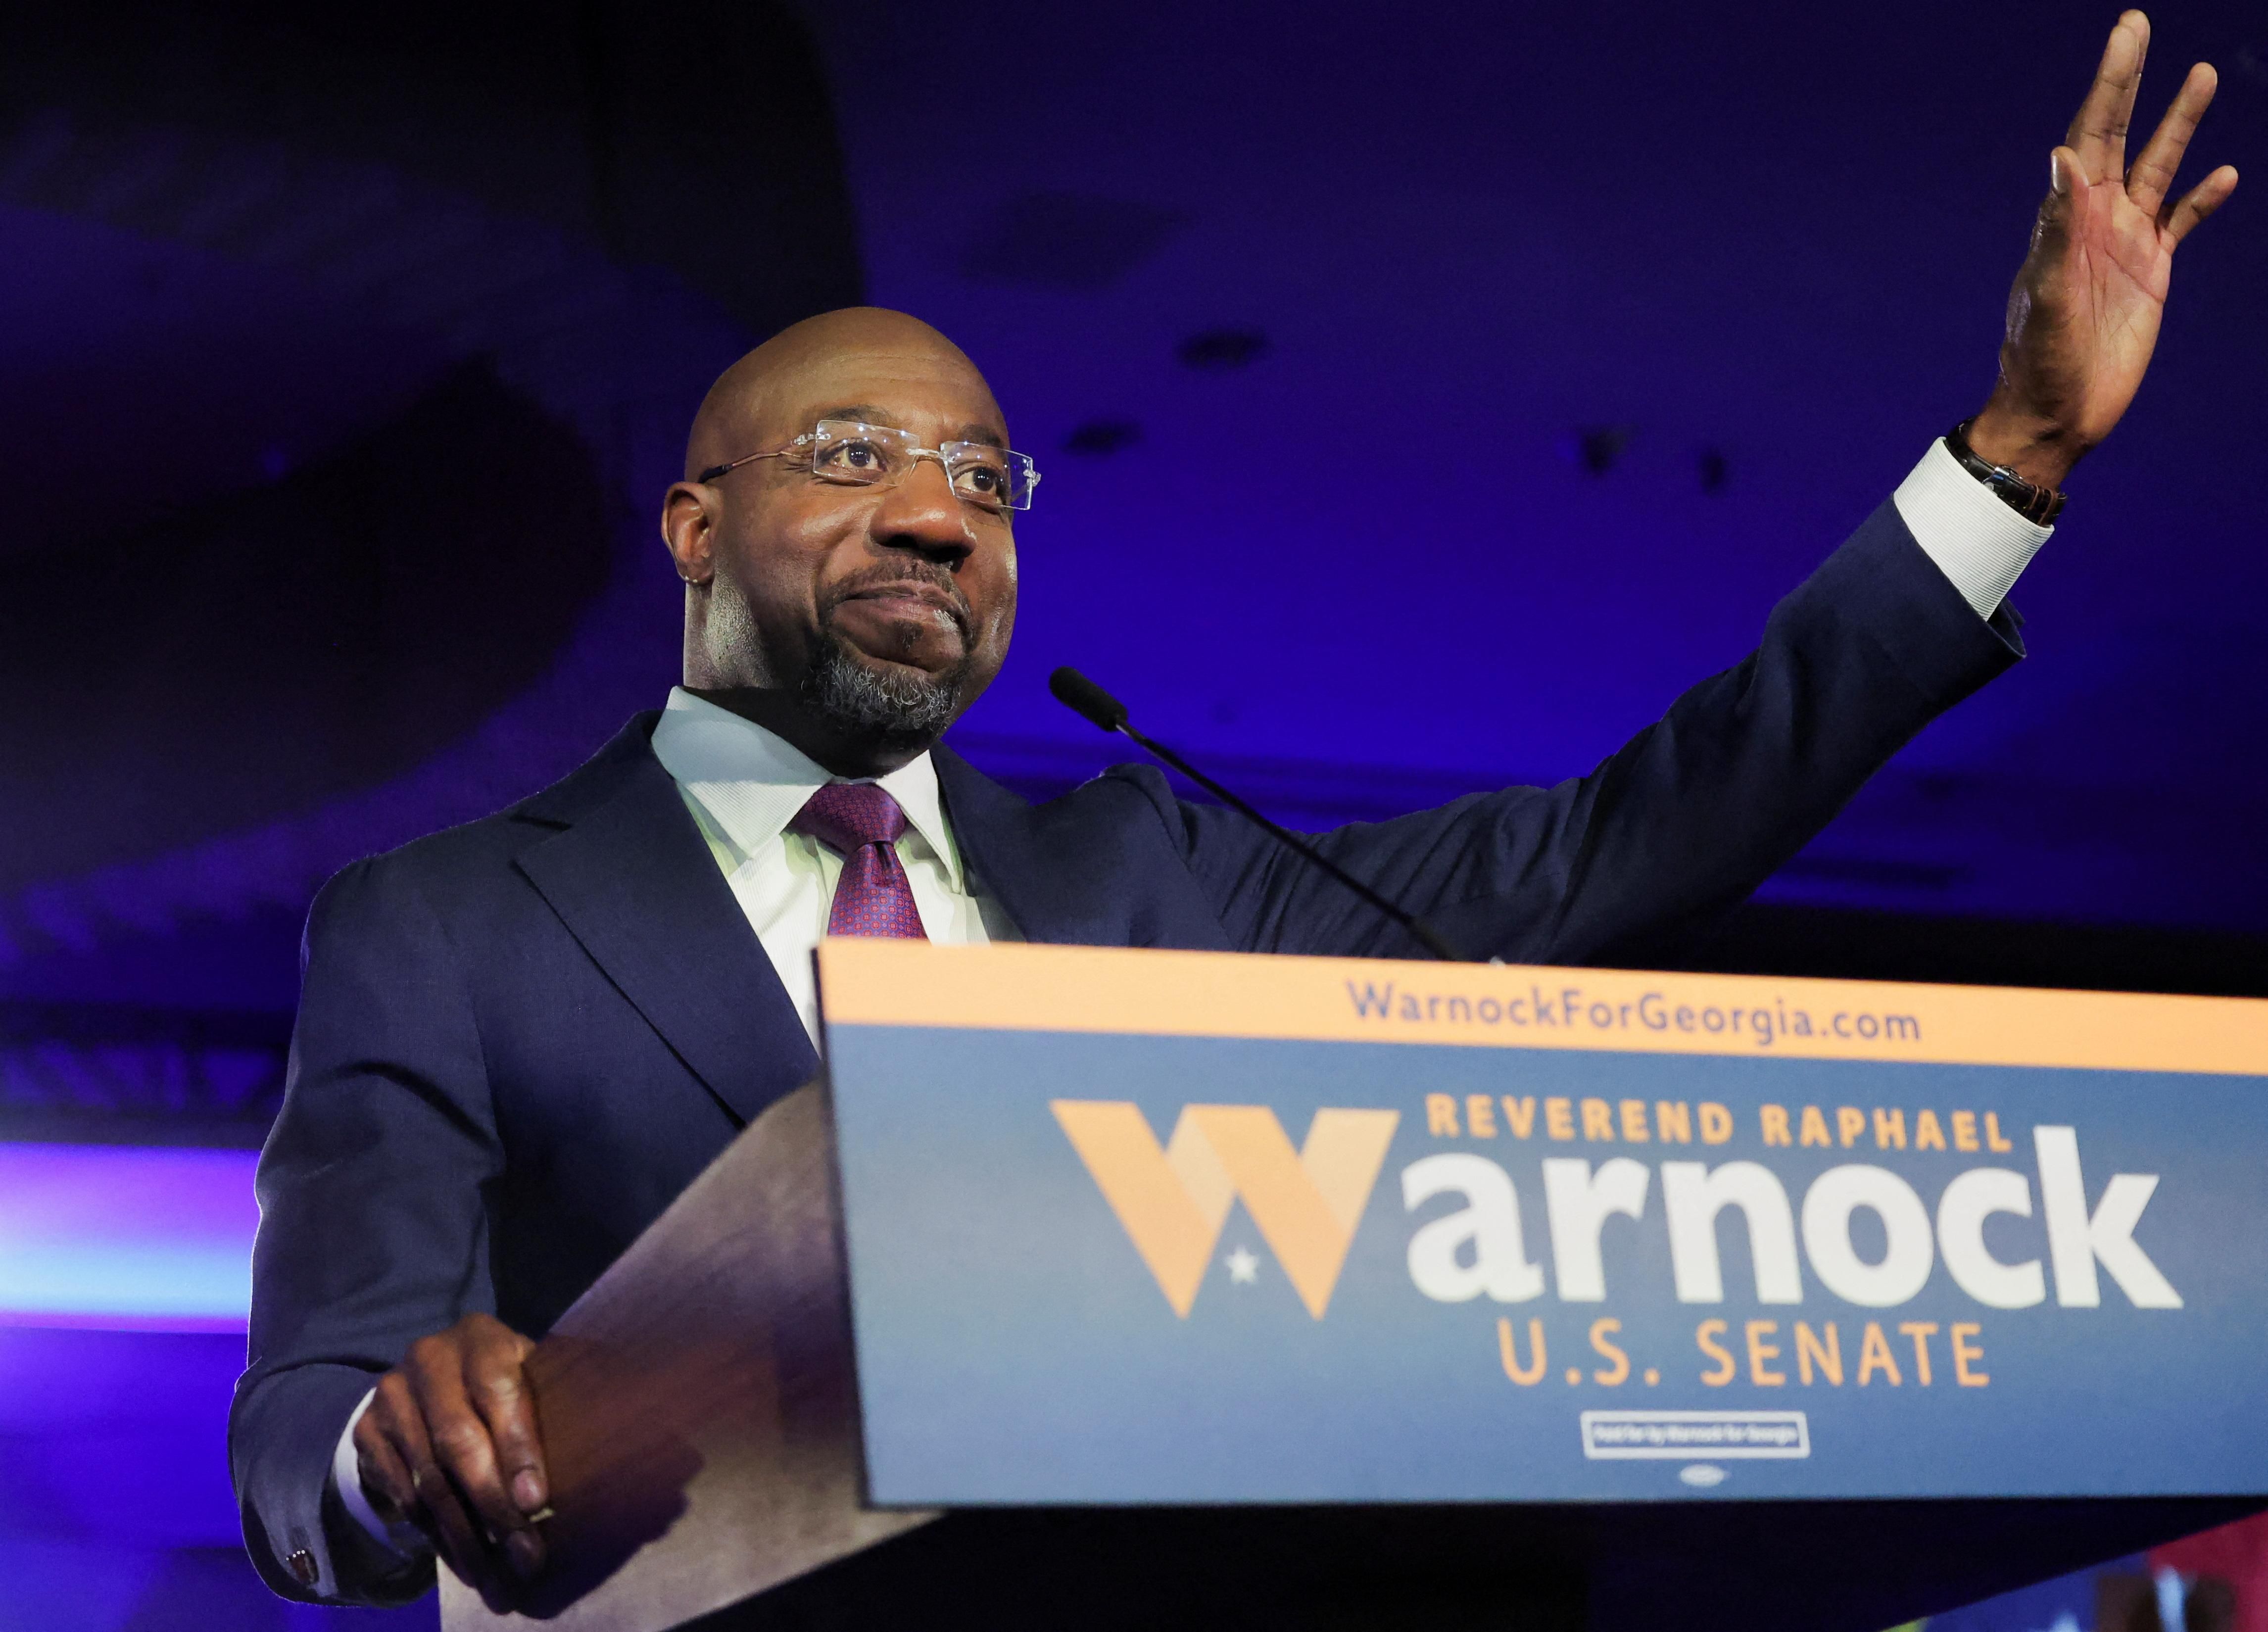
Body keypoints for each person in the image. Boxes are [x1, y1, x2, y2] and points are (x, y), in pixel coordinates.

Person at [230, 12, 2236, 1612]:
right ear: (694, 529)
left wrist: (2017, 452)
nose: (935, 511)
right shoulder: (446, 921)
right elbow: (311, 1422)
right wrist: (391, 1447)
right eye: (851, 457)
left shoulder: (1151, 870)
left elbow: (1629, 834)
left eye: (986, 480)